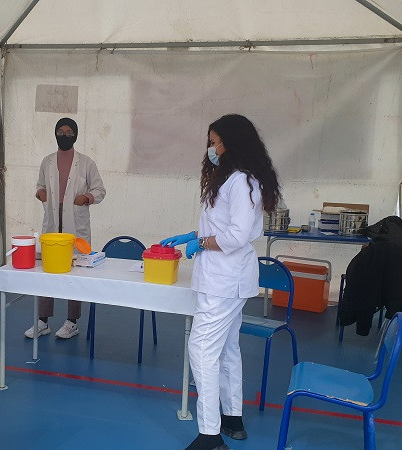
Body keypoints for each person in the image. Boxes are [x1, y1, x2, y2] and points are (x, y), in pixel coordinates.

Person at [161, 114, 281, 450]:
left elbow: (237, 235)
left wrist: (200, 243)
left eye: (214, 142)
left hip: (224, 281)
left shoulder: (241, 181)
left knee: (201, 349)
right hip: (227, 278)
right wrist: (194, 235)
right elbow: (224, 225)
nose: (211, 149)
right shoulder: (235, 179)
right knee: (227, 348)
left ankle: (210, 435)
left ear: (231, 143)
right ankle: (232, 417)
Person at [24, 117, 106, 339]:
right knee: (48, 270)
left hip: (75, 222)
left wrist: (86, 198)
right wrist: (41, 193)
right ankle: (43, 321)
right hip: (53, 219)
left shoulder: (86, 163)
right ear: (55, 133)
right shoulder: (47, 161)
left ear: (76, 135)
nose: (65, 135)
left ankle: (72, 321)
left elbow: (100, 190)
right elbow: (40, 184)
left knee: (75, 272)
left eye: (70, 132)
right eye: (61, 131)